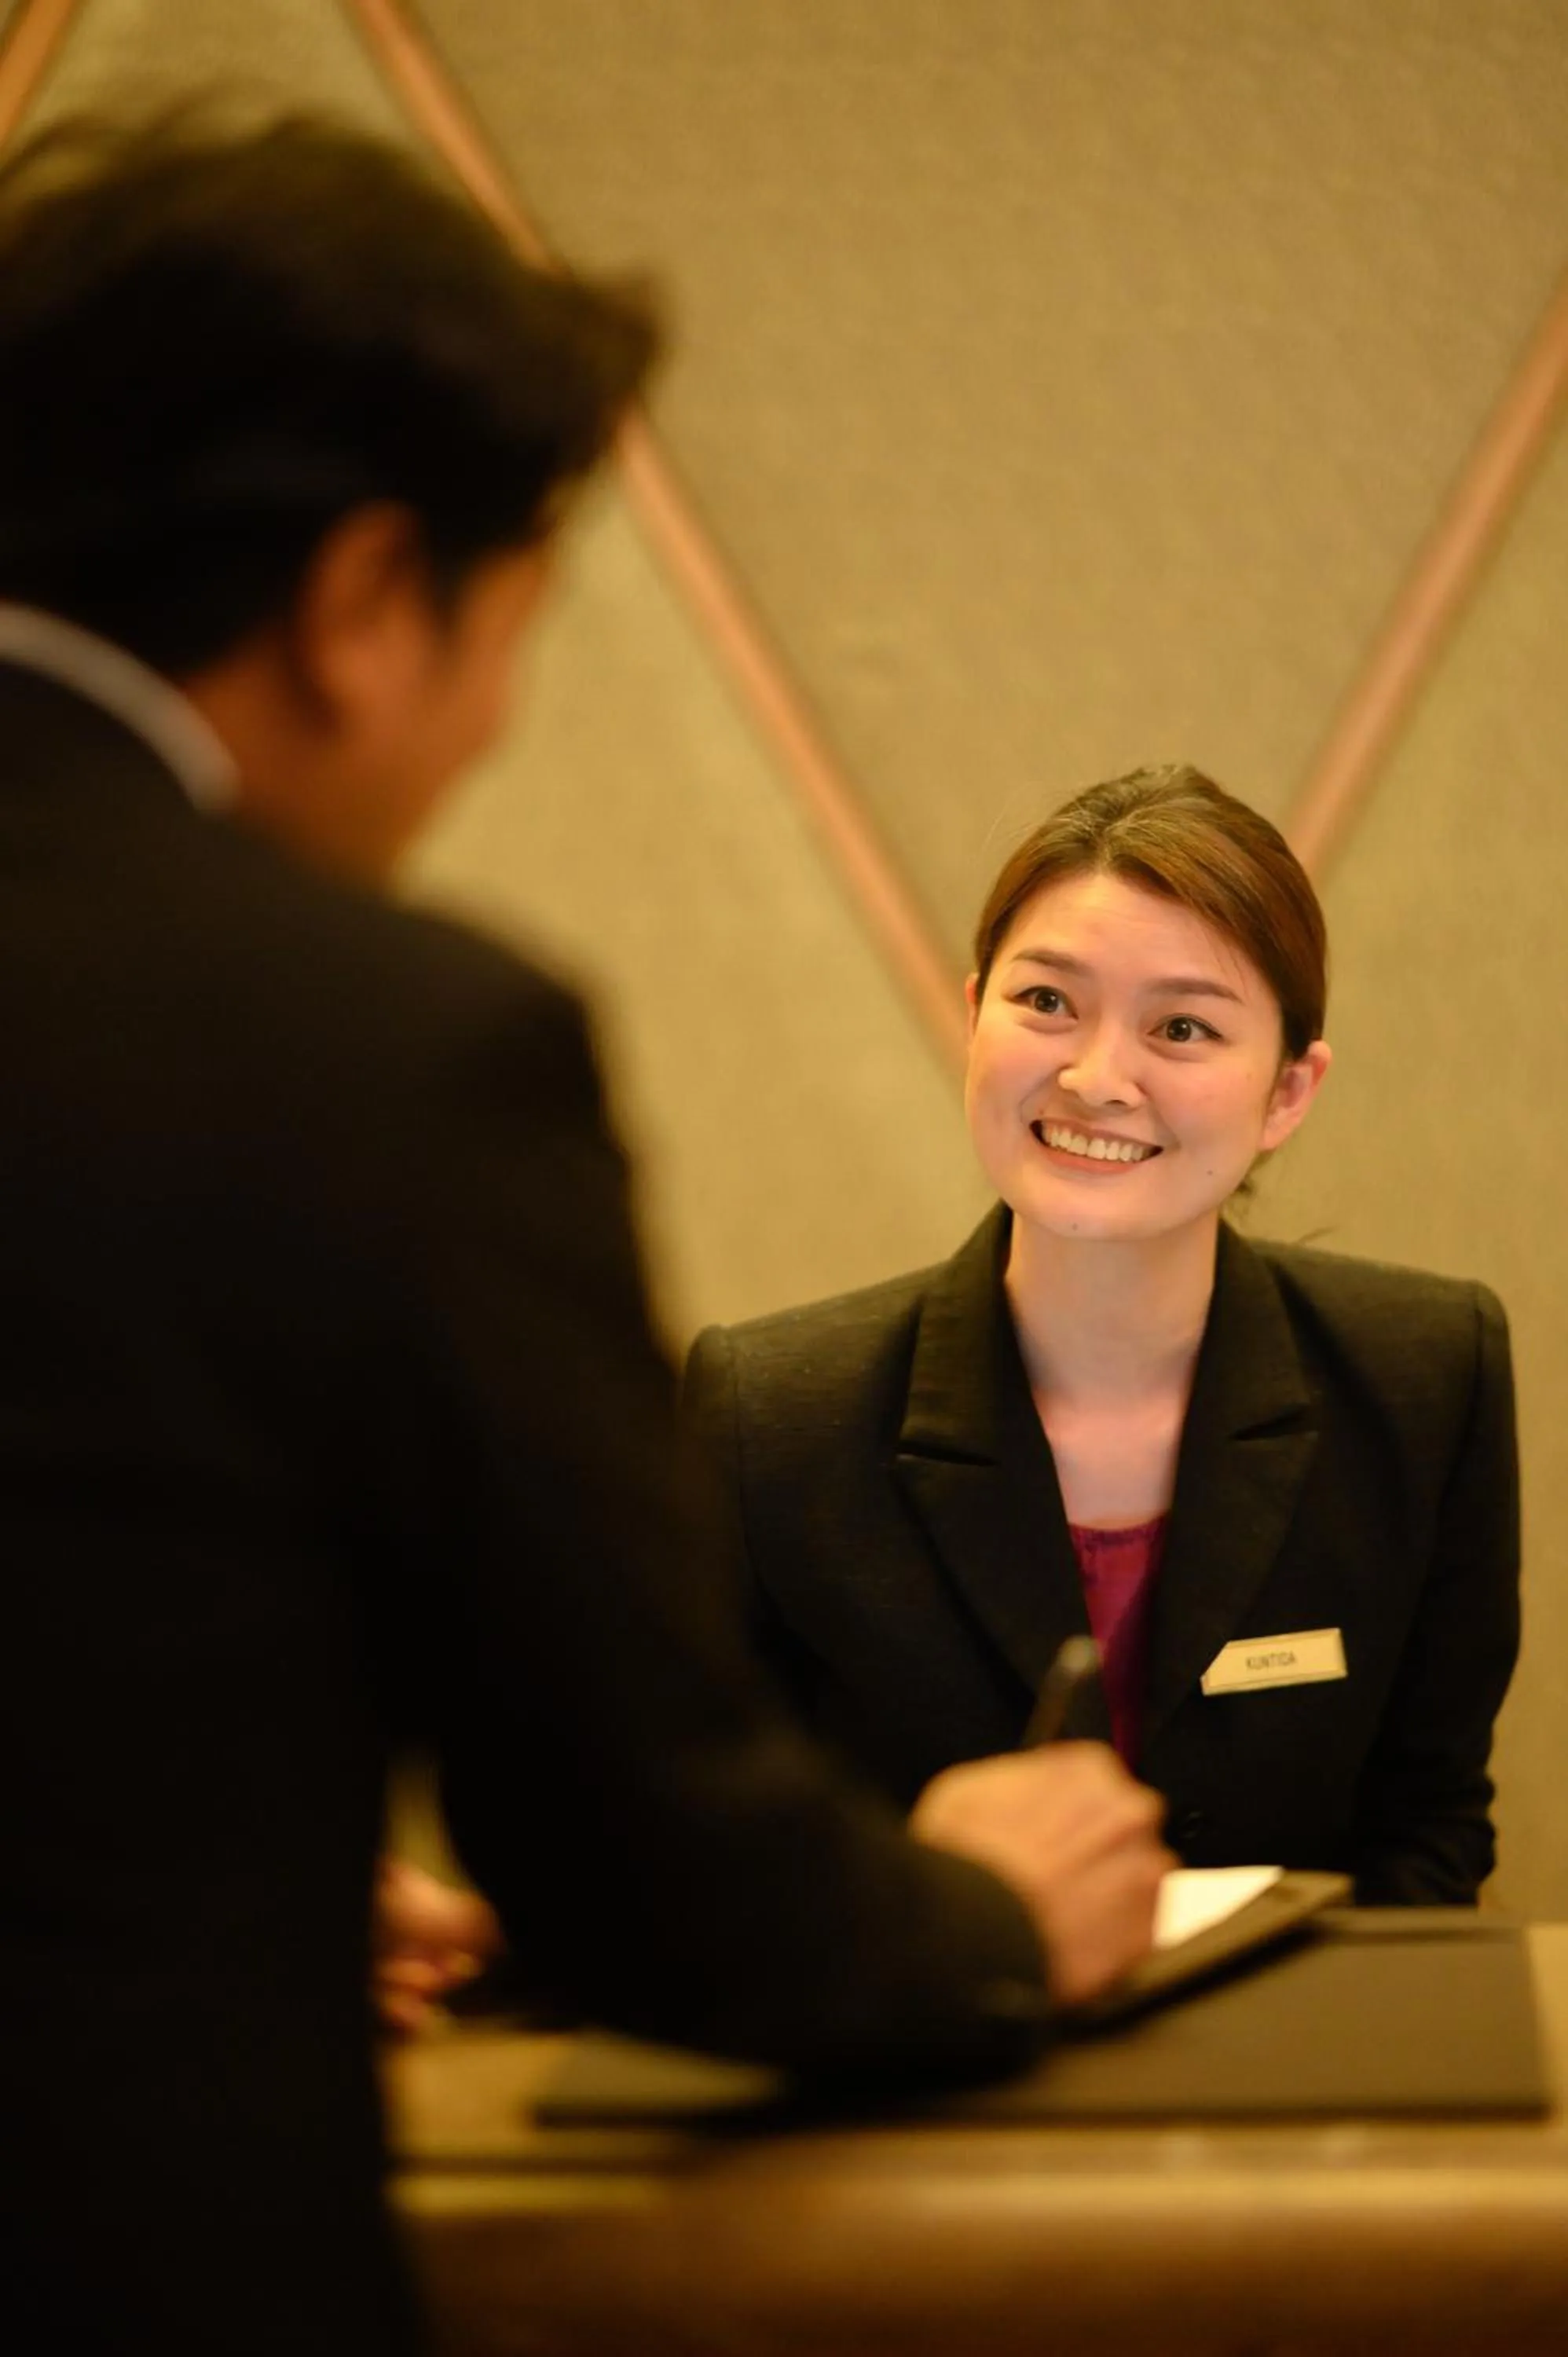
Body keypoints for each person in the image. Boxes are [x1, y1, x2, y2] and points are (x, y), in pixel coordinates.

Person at [0, 111, 1170, 2357]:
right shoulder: (376, 1045)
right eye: (505, 637)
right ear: (360, 605)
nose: (487, 732)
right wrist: (988, 1922)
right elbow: (650, 1869)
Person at [685, 765, 1521, 1904]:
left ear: (1287, 1091)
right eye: (1045, 1003)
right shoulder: (768, 1412)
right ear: (973, 1010)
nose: (1094, 1077)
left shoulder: (1428, 1376)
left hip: (1296, 2060)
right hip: (931, 2056)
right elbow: (705, 1844)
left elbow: (1427, 1829)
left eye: (1181, 1027)